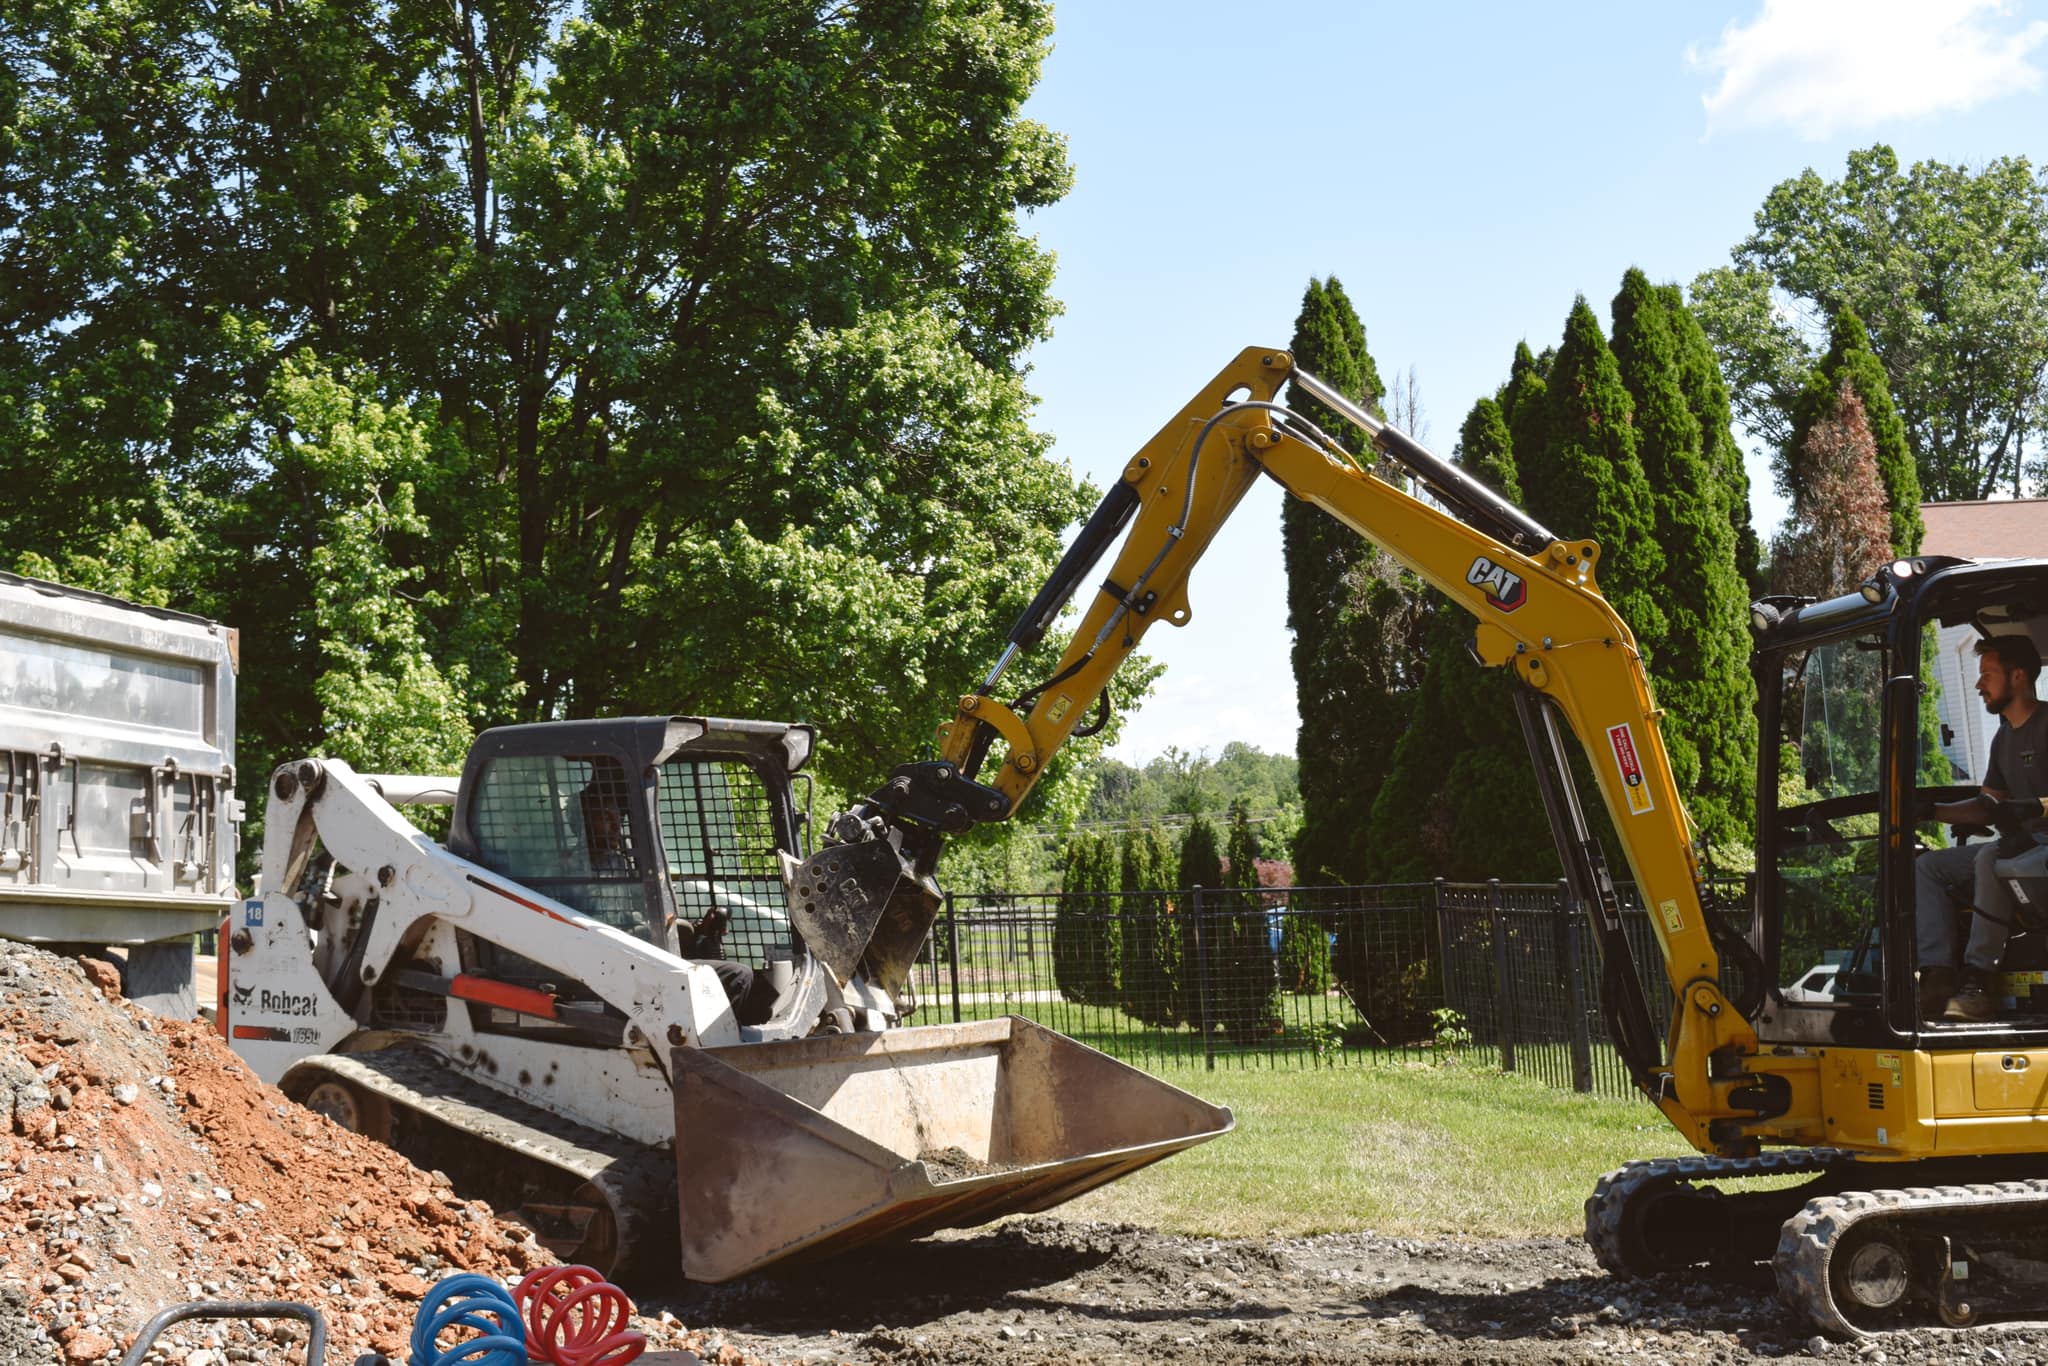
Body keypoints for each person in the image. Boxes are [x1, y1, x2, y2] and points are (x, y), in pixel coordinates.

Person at [1914, 633, 2048, 1021]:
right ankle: (1937, 977)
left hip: (2037, 846)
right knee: (1929, 867)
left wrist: (2028, 809)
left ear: (2018, 676)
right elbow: (1988, 806)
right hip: (2020, 849)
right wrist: (1930, 811)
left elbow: (2008, 812)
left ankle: (1980, 980)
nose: (1977, 685)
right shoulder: (2003, 738)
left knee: (1991, 855)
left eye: (1987, 674)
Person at [582, 782, 776, 1027]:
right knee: (738, 976)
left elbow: (630, 915)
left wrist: (692, 930)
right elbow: (600, 928)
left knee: (760, 990)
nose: (615, 827)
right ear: (582, 821)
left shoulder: (617, 863)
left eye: (617, 819)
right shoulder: (575, 869)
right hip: (616, 967)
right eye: (606, 819)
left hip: (639, 955)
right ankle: (710, 1044)